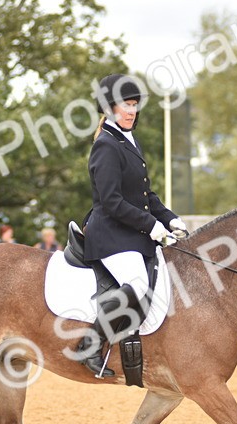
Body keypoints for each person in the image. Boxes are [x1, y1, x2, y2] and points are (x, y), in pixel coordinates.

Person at [77, 73, 188, 376]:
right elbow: (112, 202)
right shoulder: (106, 146)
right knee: (138, 284)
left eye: (135, 105)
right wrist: (152, 226)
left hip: (130, 233)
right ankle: (89, 345)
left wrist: (170, 218)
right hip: (109, 234)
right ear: (109, 107)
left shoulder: (129, 141)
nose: (131, 111)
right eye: (125, 105)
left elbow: (144, 195)